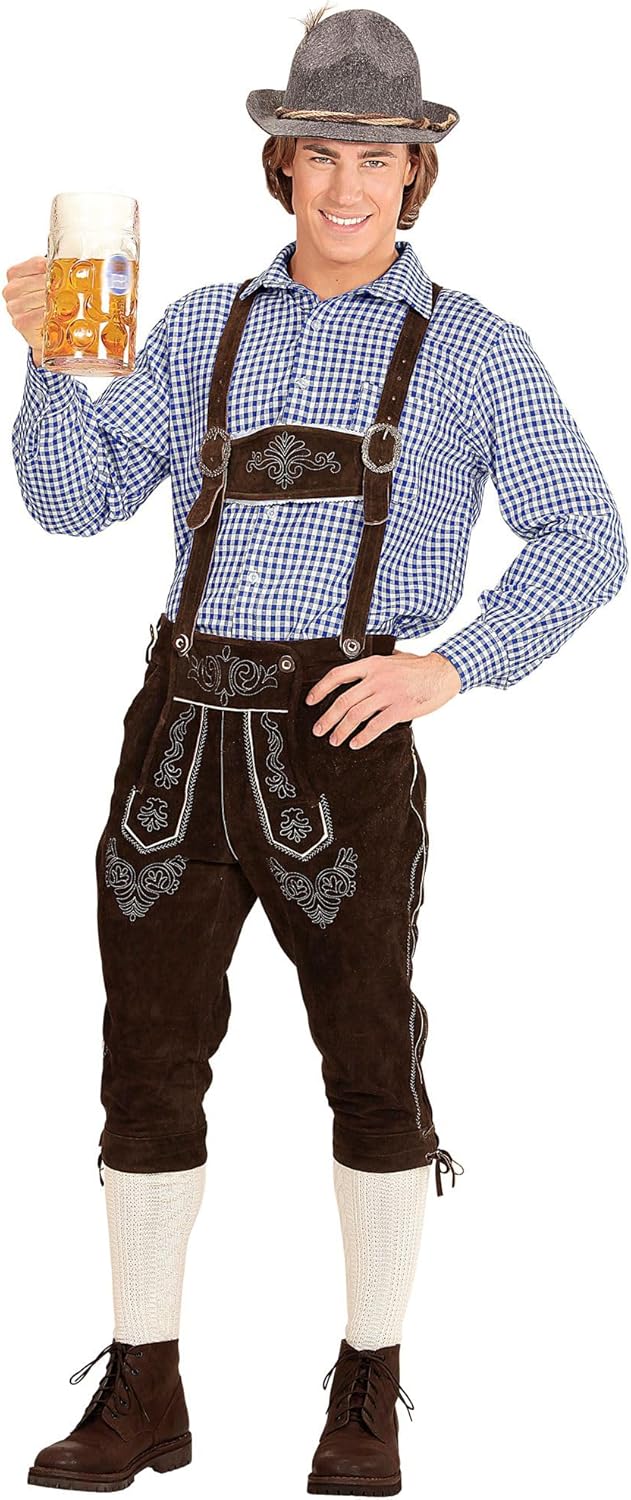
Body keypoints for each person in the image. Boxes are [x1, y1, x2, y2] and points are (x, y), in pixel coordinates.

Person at [6, 5, 627, 1495]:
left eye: (379, 157)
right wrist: (43, 366)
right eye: (323, 152)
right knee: (145, 1062)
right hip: (177, 737)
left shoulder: (474, 349)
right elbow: (74, 505)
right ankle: (144, 1392)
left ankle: (367, 1388)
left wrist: (450, 665)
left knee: (368, 1062)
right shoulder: (198, 324)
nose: (349, 185)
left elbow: (588, 536)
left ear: (417, 176)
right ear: (282, 162)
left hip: (341, 742)